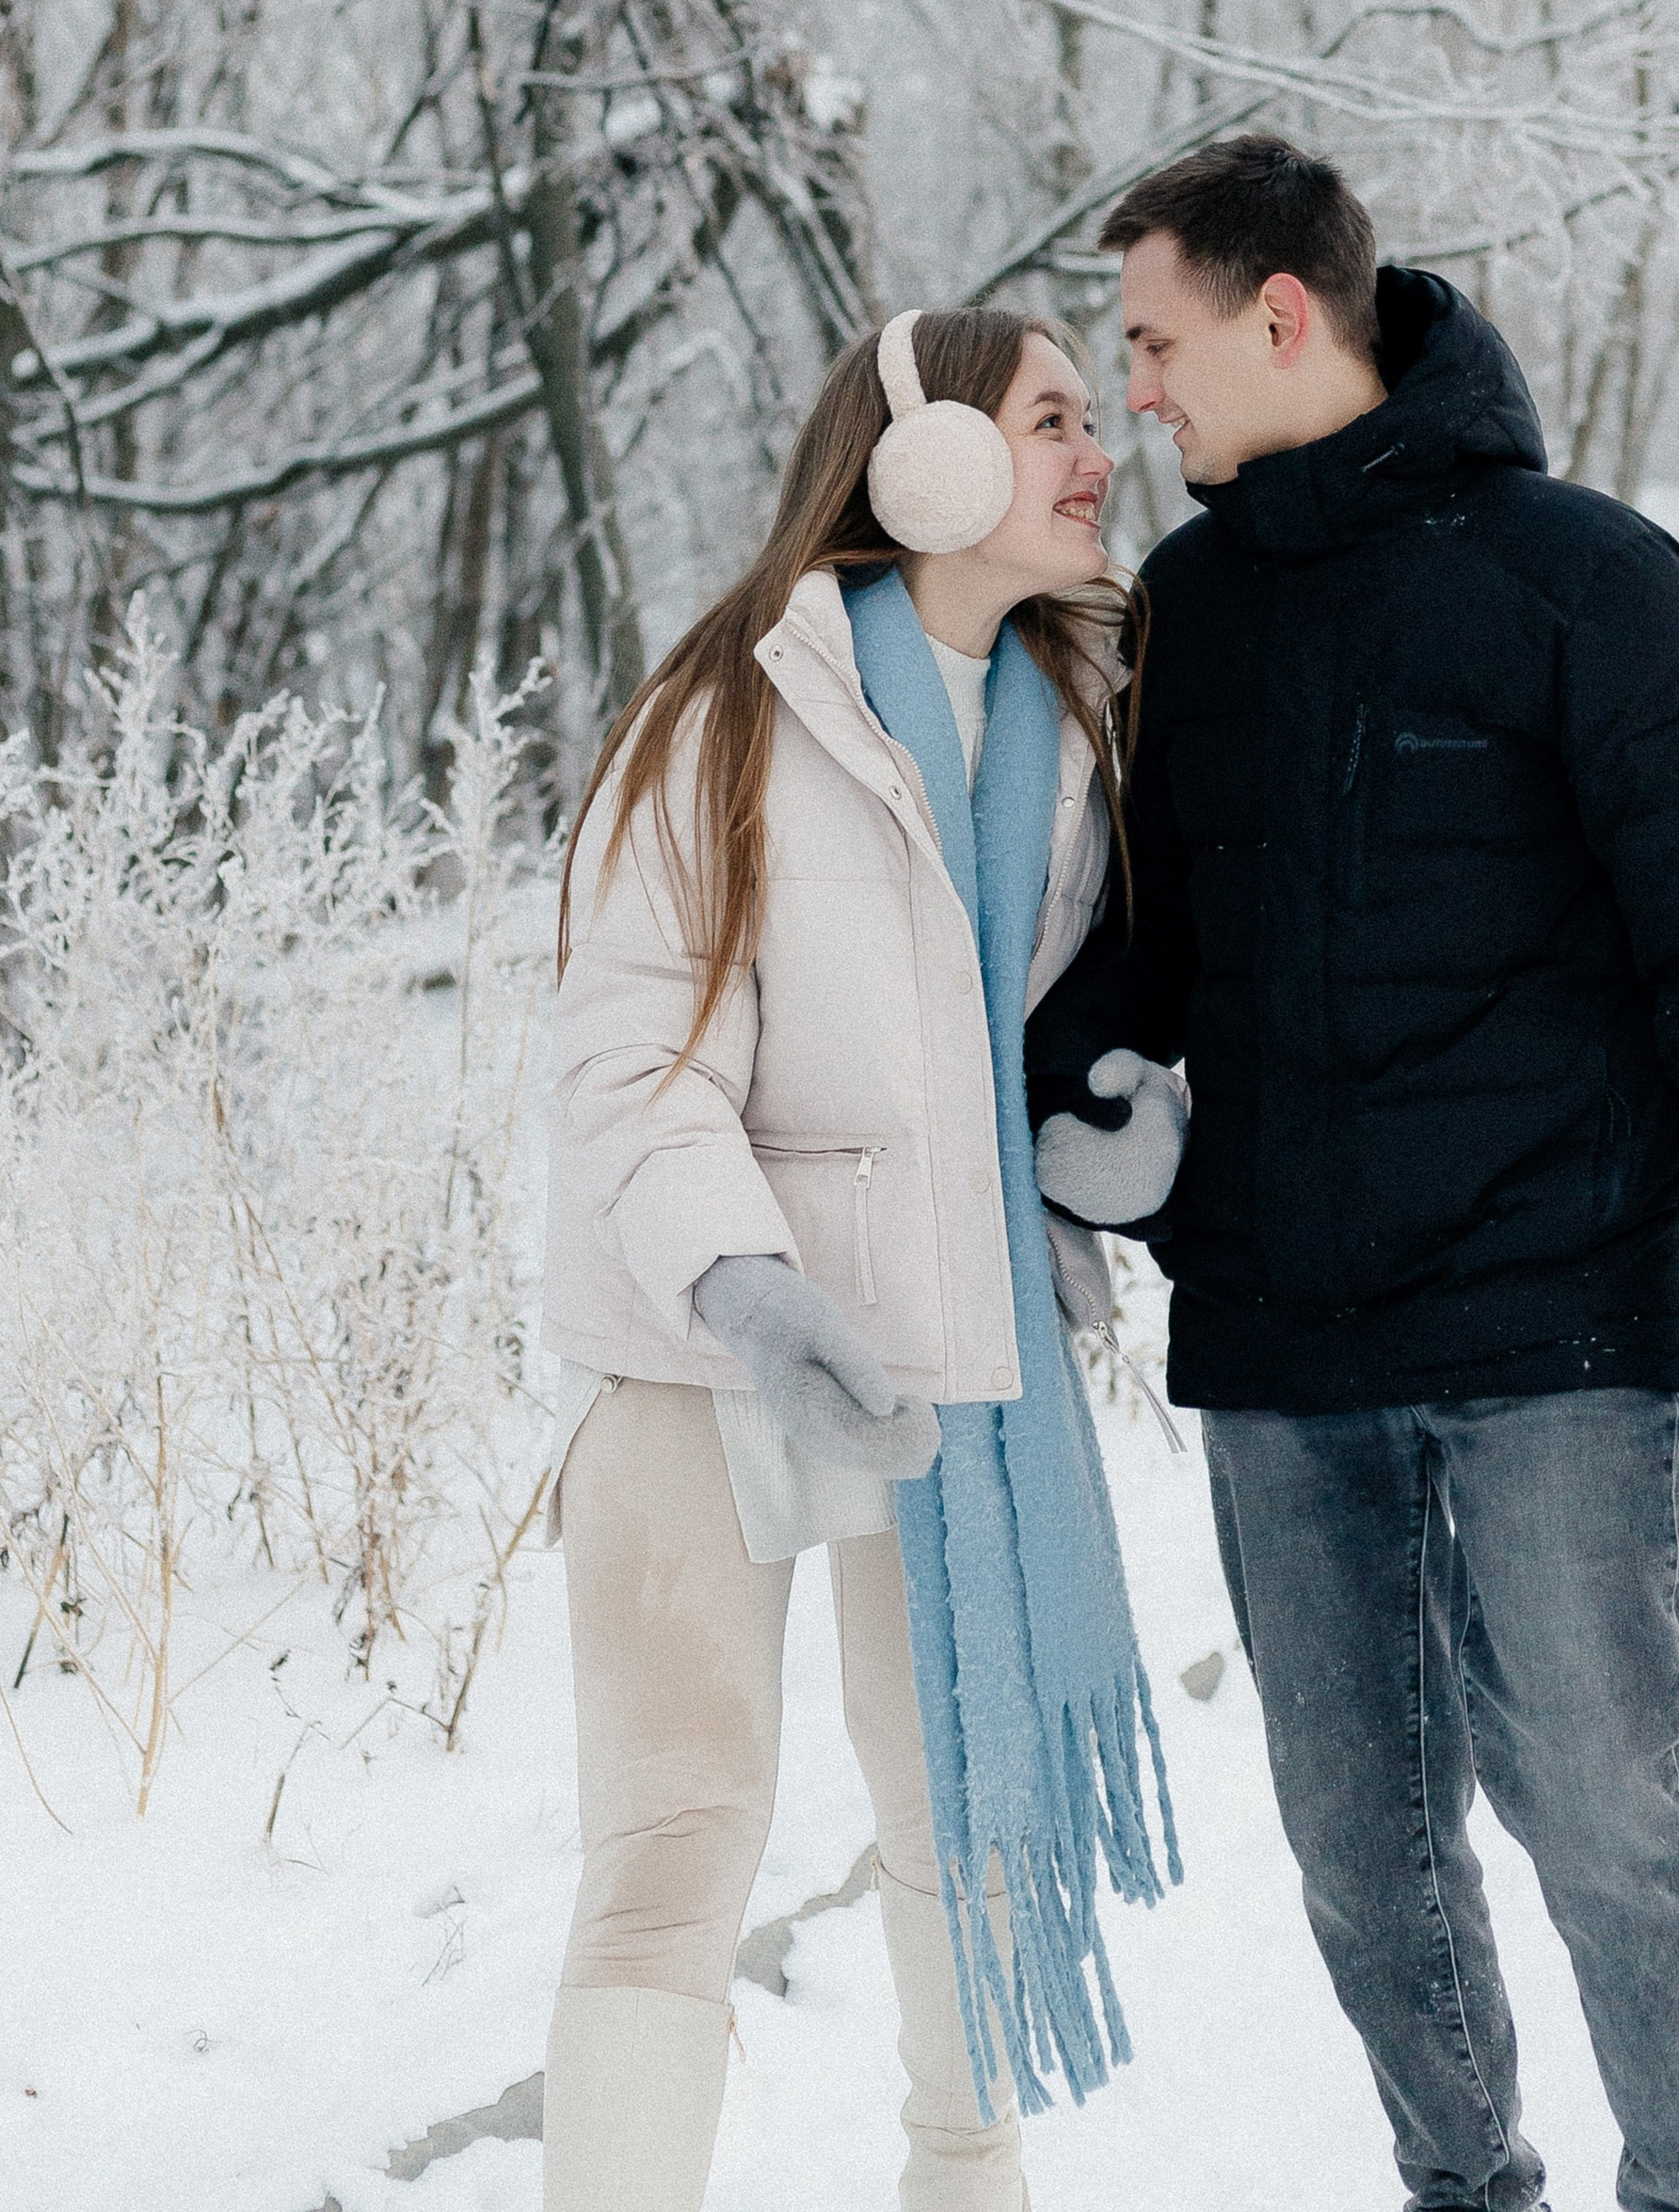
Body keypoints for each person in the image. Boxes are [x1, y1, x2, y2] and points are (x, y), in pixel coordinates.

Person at [1029, 135, 1679, 2212]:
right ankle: (1462, 2186)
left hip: (1549, 1322)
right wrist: (1060, 1080)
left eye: (1150, 340)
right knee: (1358, 1851)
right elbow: (1146, 948)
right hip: (1283, 1351)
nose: (1135, 387)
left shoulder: (1581, 579)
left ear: (1278, 317)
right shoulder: (1189, 615)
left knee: (1602, 1814)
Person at [541, 303, 1177, 2212]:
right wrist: (740, 1281)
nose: (1096, 457)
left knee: (963, 1821)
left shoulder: (1080, 725)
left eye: (1091, 420)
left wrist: (1092, 1168)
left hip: (948, 1347)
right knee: (676, 1837)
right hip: (697, 1342)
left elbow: (1043, 1035)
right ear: (926, 465)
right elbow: (629, 1062)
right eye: (1053, 421)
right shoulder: (720, 715)